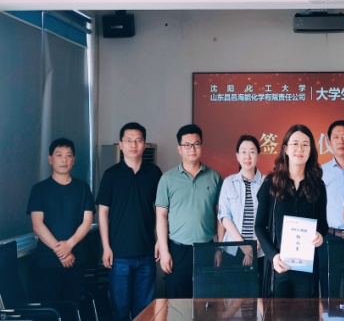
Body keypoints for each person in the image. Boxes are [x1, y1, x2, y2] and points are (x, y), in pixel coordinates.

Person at [96, 122, 162, 321]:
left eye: (138, 140)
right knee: (120, 310)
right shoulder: (111, 175)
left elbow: (161, 211)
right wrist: (106, 248)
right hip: (119, 255)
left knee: (145, 311)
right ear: (121, 144)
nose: (133, 144)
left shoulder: (154, 173)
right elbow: (103, 213)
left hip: (147, 253)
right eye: (129, 140)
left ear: (144, 144)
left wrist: (160, 241)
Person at [254, 124, 328, 298]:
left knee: (306, 311)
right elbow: (259, 226)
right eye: (295, 144)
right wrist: (273, 256)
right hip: (279, 266)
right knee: (277, 311)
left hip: (306, 268)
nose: (299, 149)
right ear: (286, 149)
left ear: (311, 151)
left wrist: (320, 235)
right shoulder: (271, 183)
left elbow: (323, 224)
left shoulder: (317, 185)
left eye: (305, 144)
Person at [156, 124, 222, 298]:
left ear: (202, 146)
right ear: (179, 149)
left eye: (196, 144)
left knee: (206, 302)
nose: (192, 149)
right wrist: (164, 251)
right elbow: (161, 216)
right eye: (187, 145)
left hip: (206, 248)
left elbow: (221, 216)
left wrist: (219, 248)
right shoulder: (167, 179)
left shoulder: (214, 177)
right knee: (177, 302)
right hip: (177, 250)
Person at [26, 138, 95, 303]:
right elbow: (37, 224)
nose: (64, 160)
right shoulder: (39, 189)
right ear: (50, 159)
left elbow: (87, 222)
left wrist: (69, 245)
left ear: (74, 159)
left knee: (72, 306)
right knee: (50, 309)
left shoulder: (83, 188)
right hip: (47, 261)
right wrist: (61, 252)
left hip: (76, 259)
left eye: (68, 155)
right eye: (59, 155)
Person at [318, 119, 344, 299]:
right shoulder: (320, 173)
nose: (340, 141)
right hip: (330, 239)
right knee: (330, 293)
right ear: (329, 142)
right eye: (335, 137)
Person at [217, 135, 265, 295]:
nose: (247, 156)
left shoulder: (267, 183)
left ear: (258, 155)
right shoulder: (228, 182)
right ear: (237, 156)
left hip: (260, 250)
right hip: (233, 250)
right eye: (243, 152)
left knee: (257, 296)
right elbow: (224, 217)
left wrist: (253, 247)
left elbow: (269, 218)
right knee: (234, 296)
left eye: (252, 152)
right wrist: (245, 246)